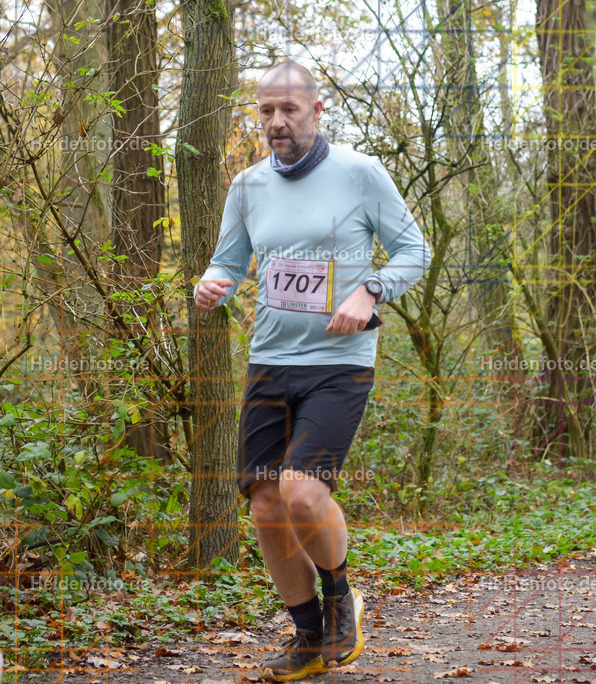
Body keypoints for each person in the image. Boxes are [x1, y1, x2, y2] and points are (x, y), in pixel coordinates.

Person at [193, 62, 431, 681]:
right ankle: (305, 637)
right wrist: (212, 284)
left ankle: (340, 596)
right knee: (267, 506)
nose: (276, 122)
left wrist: (371, 290)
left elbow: (415, 250)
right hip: (270, 359)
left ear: (317, 110)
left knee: (302, 491)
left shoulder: (359, 173)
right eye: (266, 111)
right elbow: (229, 260)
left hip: (338, 362)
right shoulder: (246, 186)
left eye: (288, 111)